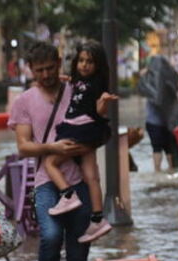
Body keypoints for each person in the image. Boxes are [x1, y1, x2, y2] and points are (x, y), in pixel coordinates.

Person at [8, 41, 93, 261]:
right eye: (39, 70)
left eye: (50, 68)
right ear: (31, 70)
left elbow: (95, 122)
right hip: (45, 181)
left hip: (80, 178)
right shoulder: (24, 102)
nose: (45, 74)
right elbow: (23, 147)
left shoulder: (76, 92)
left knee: (80, 247)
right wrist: (52, 146)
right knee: (51, 235)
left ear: (59, 63)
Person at [41, 40, 117, 244]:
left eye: (89, 62)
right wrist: (66, 80)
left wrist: (103, 105)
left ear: (98, 65)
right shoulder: (77, 82)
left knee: (50, 162)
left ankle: (67, 194)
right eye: (81, 60)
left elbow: (99, 111)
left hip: (80, 130)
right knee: (91, 176)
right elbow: (73, 85)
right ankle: (98, 218)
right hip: (86, 132)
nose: (84, 65)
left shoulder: (97, 87)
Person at [138, 54, 178, 173]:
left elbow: (144, 91)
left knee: (157, 148)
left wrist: (143, 77)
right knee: (168, 148)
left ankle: (158, 172)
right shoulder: (169, 77)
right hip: (168, 121)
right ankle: (170, 170)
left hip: (154, 122)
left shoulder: (151, 78)